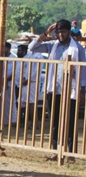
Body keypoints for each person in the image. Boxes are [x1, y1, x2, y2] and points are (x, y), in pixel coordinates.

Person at [28, 19, 86, 163]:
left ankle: (71, 154)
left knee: (71, 122)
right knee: (54, 121)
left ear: (69, 32)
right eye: (59, 32)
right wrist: (45, 33)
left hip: (71, 90)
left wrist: (82, 90)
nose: (61, 34)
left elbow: (83, 70)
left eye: (64, 32)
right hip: (54, 88)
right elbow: (32, 47)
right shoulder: (51, 46)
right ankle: (55, 150)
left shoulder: (78, 48)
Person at [16, 44, 44, 124]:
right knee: (22, 101)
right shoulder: (30, 55)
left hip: (32, 82)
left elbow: (36, 70)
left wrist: (29, 79)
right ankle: (23, 121)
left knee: (31, 102)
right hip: (26, 81)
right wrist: (24, 78)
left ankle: (34, 122)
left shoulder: (38, 56)